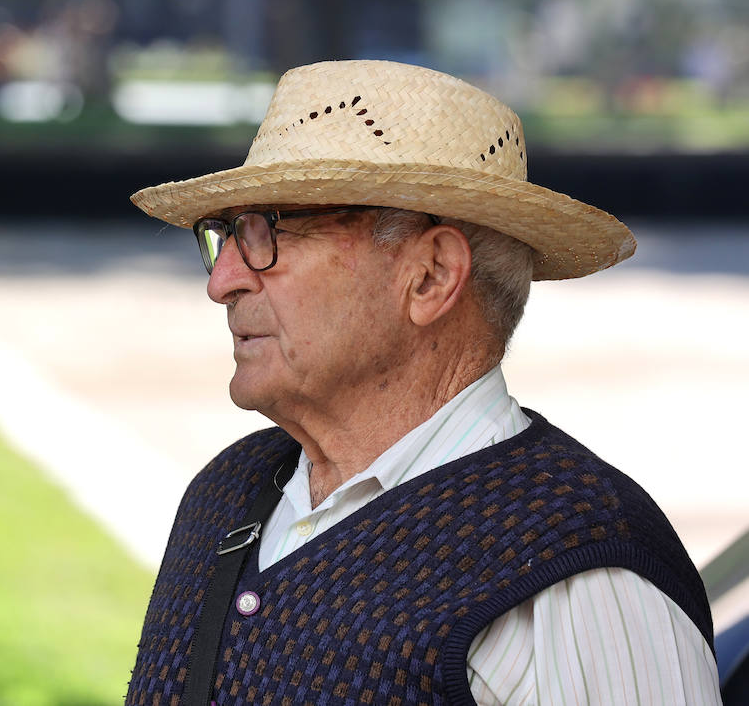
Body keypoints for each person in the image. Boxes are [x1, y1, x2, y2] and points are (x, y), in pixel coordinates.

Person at [125, 60, 718, 705]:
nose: (222, 283)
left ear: (431, 276)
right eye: (226, 236)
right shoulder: (228, 493)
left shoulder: (576, 580)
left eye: (270, 231)